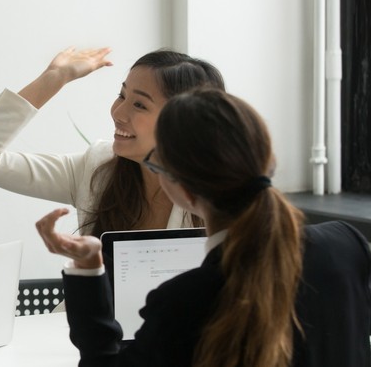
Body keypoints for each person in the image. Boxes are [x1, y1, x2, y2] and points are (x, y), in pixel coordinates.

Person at [36, 88, 371, 366]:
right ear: (267, 159)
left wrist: (87, 267)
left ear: (181, 188)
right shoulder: (347, 246)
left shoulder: (183, 301)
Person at [0, 47, 225, 236]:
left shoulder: (224, 194)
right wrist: (54, 78)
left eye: (140, 104)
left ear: (184, 120)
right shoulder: (96, 168)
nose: (118, 113)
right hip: (83, 319)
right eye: (121, 95)